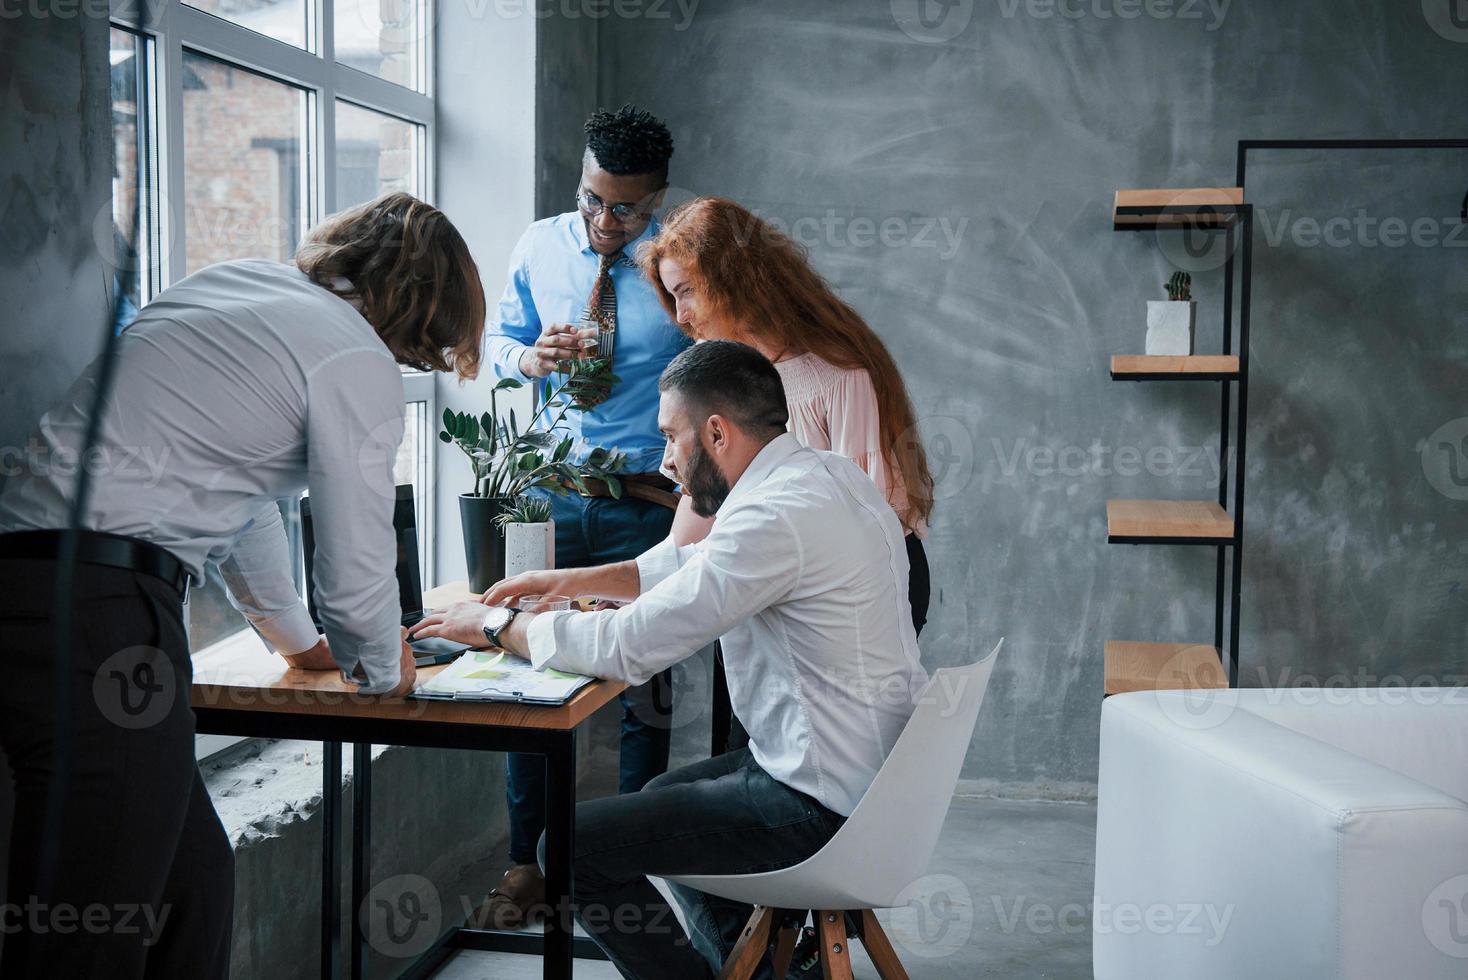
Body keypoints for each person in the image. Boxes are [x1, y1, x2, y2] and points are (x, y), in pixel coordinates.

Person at [0, 192, 484, 978]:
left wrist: (302, 645)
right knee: (87, 937)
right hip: (101, 609)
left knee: (192, 886)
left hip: (34, 586)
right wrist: (382, 666)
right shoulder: (350, 353)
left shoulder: (232, 288)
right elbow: (356, 553)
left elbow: (245, 506)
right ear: (420, 308)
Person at [409, 341, 928, 980]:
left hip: (819, 809)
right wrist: (563, 582)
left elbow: (628, 649)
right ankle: (758, 969)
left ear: (717, 433)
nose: (665, 461)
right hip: (877, 785)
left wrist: (494, 626)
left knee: (569, 847)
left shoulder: (772, 517)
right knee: (662, 796)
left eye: (671, 437)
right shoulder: (828, 476)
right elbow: (689, 568)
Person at [478, 104, 691, 928]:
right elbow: (499, 345)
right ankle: (522, 864)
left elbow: (713, 361)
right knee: (529, 677)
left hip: (646, 504)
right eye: (592, 200)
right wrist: (529, 359)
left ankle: (628, 873)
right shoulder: (539, 245)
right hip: (552, 495)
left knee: (643, 689)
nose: (605, 222)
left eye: (625, 208)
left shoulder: (677, 266)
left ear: (657, 201)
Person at [640, 196, 935, 636]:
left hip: (868, 582)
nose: (680, 316)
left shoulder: (837, 372)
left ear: (734, 279)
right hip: (770, 578)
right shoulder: (714, 367)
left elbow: (864, 520)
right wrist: (637, 585)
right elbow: (699, 511)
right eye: (672, 296)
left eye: (686, 292)